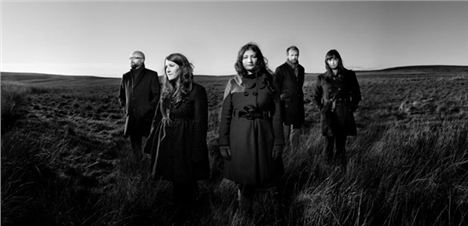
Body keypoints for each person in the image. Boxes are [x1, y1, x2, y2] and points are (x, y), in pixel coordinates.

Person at [218, 42, 284, 215]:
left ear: (259, 59)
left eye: (253, 56)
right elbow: (225, 115)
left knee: (268, 178)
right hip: (239, 135)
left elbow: (277, 114)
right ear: (240, 60)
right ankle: (245, 214)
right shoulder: (233, 83)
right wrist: (223, 142)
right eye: (245, 57)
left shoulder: (270, 81)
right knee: (243, 181)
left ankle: (270, 213)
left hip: (264, 134)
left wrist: (278, 141)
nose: (249, 60)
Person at [144, 53, 209, 218]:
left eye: (171, 66)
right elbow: (158, 117)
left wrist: (197, 150)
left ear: (183, 68)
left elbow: (201, 124)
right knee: (174, 179)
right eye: (166, 66)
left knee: (186, 180)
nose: (167, 70)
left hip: (185, 141)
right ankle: (178, 212)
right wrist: (152, 142)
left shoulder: (197, 91)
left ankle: (191, 214)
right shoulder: (166, 90)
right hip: (167, 140)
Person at [313, 49, 361, 168]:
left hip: (343, 113)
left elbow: (357, 94)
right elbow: (315, 97)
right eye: (330, 59)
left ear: (339, 60)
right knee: (328, 144)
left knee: (341, 144)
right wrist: (322, 109)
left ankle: (341, 169)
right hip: (328, 114)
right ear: (326, 62)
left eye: (335, 59)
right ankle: (328, 171)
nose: (333, 62)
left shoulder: (349, 75)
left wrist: (350, 108)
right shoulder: (322, 78)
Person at [119, 50, 160, 159]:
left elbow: (156, 95)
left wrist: (147, 108)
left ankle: (152, 163)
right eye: (131, 58)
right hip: (131, 117)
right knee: (135, 143)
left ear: (142, 60)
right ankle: (138, 162)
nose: (132, 60)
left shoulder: (151, 75)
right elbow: (121, 96)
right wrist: (125, 108)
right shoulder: (125, 76)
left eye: (135, 57)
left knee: (149, 141)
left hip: (146, 116)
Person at [273, 46, 305, 152]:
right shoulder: (281, 69)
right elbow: (275, 88)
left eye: (296, 55)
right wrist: (282, 97)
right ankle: (285, 152)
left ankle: (295, 152)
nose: (294, 57)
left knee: (296, 129)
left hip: (298, 104)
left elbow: (299, 86)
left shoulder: (301, 69)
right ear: (287, 55)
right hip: (285, 105)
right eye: (292, 55)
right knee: (285, 129)